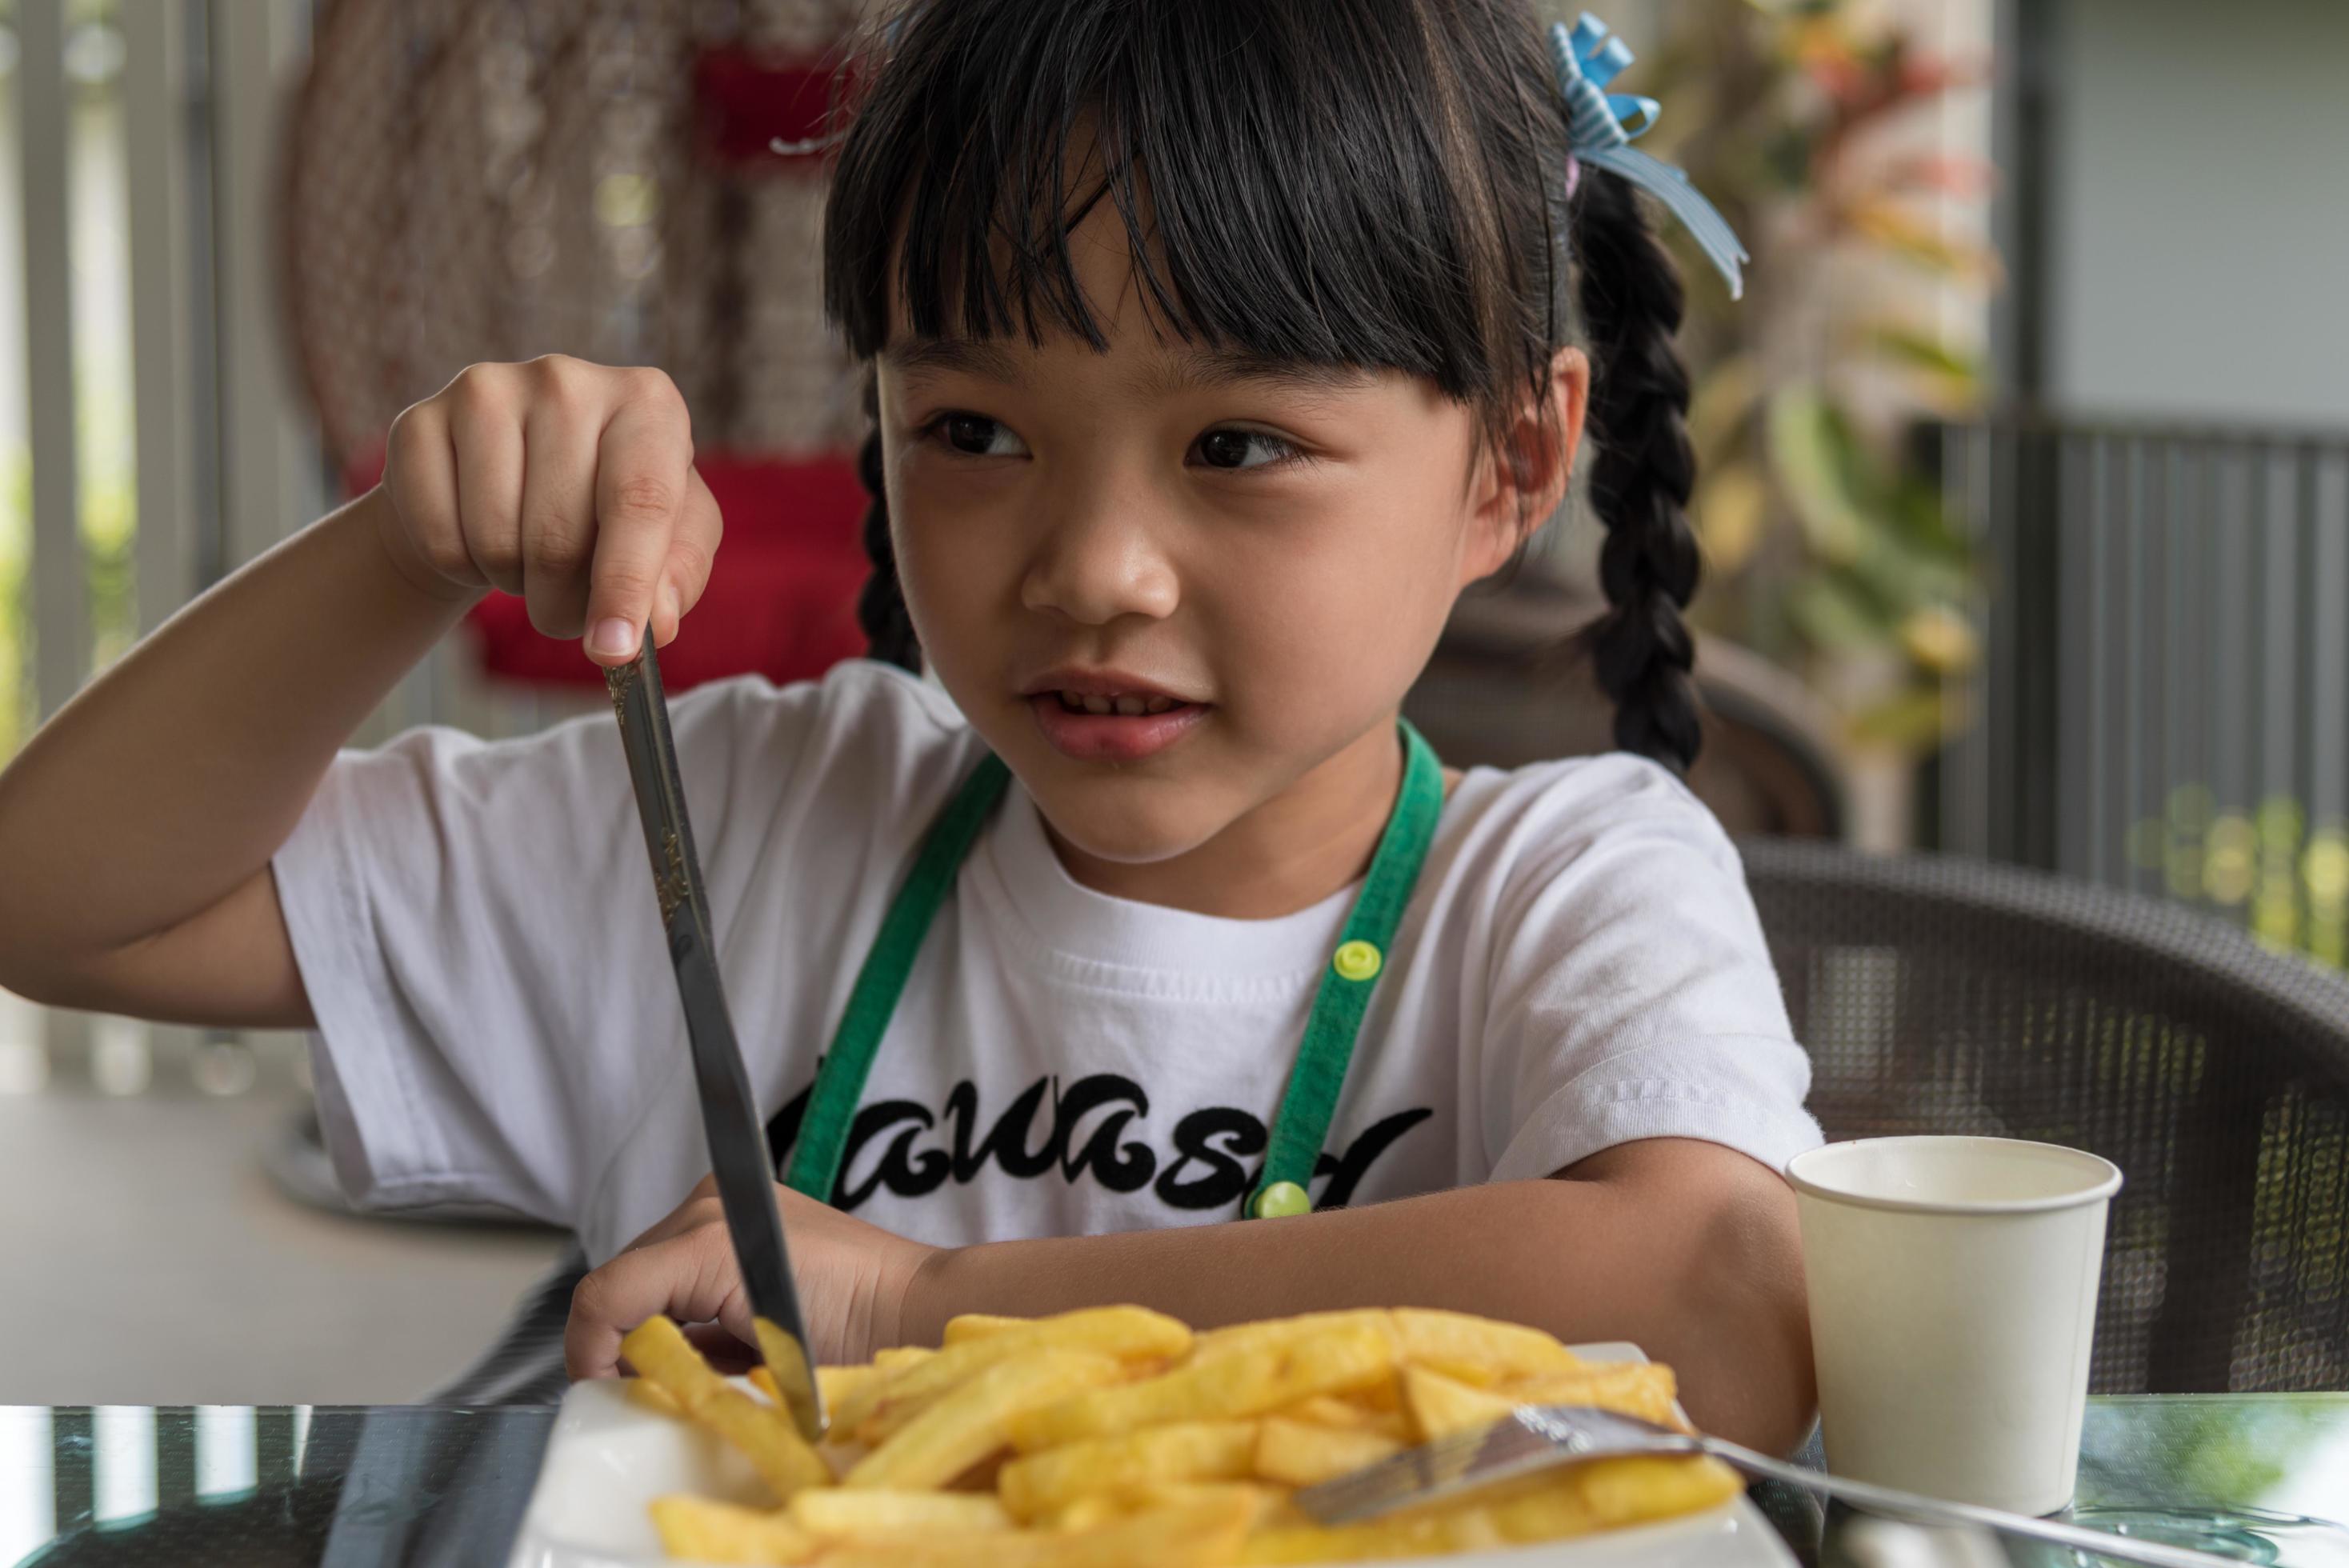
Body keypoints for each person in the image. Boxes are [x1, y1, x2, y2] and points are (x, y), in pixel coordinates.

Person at [0, 0, 1819, 1451]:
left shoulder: (1563, 886)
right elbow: (64, 899)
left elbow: (1722, 1293)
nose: (1096, 568)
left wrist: (915, 1303)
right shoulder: (741, 818)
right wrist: (400, 545)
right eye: (974, 430)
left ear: (1513, 458)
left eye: (1237, 446)